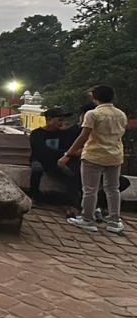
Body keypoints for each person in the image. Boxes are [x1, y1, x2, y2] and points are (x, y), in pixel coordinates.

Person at [60, 85, 127, 233]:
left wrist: (68, 153)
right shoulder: (121, 115)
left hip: (94, 155)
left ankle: (87, 219)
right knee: (113, 189)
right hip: (114, 155)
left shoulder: (92, 114)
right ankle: (114, 221)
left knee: (90, 189)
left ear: (94, 98)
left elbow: (83, 136)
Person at [29, 108, 80, 205]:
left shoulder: (61, 133)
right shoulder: (37, 134)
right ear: (49, 119)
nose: (61, 123)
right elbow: (42, 151)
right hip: (39, 160)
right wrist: (67, 153)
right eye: (59, 120)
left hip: (55, 162)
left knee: (71, 175)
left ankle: (70, 200)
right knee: (37, 169)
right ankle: (33, 195)